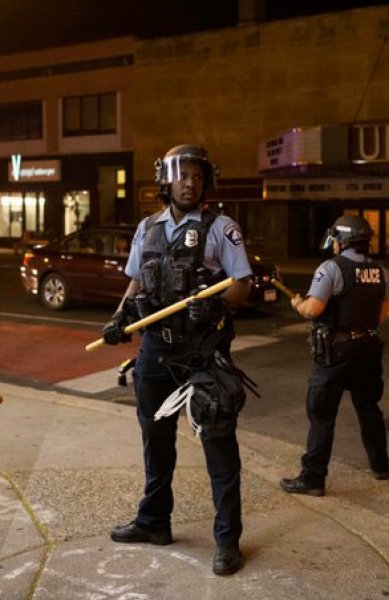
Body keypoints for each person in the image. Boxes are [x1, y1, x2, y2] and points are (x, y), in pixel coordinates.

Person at [102, 145, 253, 576]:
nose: (190, 182)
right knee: (156, 441)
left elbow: (243, 285)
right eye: (182, 175)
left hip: (204, 355)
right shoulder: (147, 227)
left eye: (197, 176)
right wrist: (119, 318)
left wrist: (219, 304)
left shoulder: (221, 228)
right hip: (155, 353)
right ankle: (154, 522)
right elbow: (135, 281)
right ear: (165, 181)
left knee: (219, 448)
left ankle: (227, 541)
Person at [280, 215, 389, 496]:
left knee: (322, 415)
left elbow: (313, 309)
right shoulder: (380, 270)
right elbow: (382, 312)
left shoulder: (332, 268)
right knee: (369, 409)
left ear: (341, 240)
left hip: (337, 352)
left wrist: (297, 303)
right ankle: (380, 465)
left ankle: (313, 478)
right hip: (368, 347)